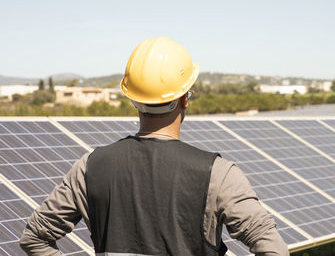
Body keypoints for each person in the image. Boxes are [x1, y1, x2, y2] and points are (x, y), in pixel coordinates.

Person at [20, 37, 289, 256]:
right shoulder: (219, 174)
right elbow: (274, 250)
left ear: (133, 100)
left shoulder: (89, 168)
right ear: (185, 98)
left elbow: (34, 239)